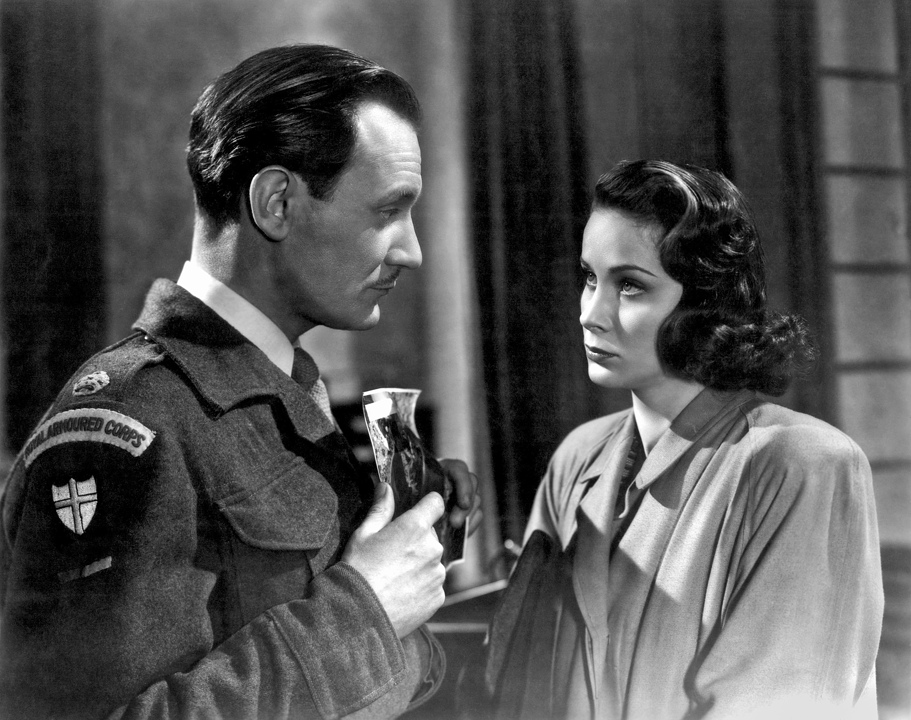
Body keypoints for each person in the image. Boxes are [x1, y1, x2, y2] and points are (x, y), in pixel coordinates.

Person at [0, 44, 479, 719]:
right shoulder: (127, 424)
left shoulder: (279, 391)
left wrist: (406, 560)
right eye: (385, 212)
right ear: (277, 202)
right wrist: (365, 611)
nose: (412, 250)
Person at [485, 160, 883, 719]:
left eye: (630, 286)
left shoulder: (802, 466)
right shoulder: (577, 459)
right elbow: (521, 685)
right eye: (590, 278)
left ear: (703, 302)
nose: (591, 314)